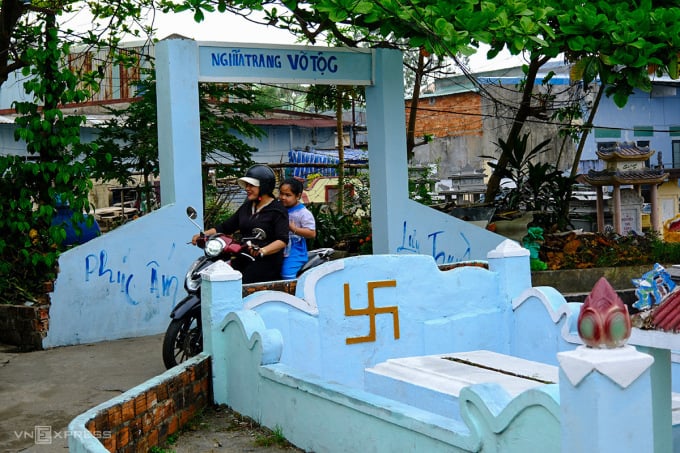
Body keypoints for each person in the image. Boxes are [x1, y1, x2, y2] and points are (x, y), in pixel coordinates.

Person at [192, 164, 289, 283]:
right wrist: (203, 235)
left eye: (251, 185)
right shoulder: (247, 207)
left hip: (266, 262)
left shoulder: (278, 210)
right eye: (246, 185)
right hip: (244, 256)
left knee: (244, 282)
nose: (247, 188)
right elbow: (225, 227)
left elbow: (282, 240)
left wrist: (262, 251)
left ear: (264, 186)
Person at [278, 177, 316, 279]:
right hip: (278, 249)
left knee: (286, 273)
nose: (283, 197)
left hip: (295, 252)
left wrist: (294, 229)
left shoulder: (303, 213)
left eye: (288, 195)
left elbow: (312, 233)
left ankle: (291, 292)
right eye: (281, 194)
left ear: (298, 196)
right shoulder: (279, 209)